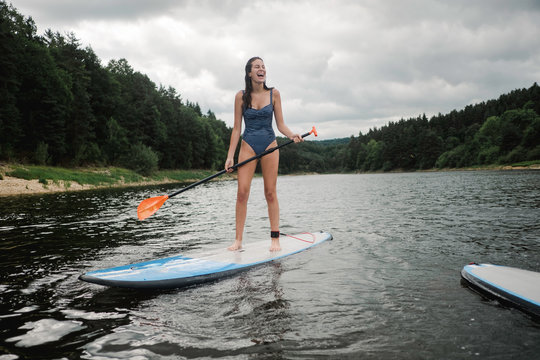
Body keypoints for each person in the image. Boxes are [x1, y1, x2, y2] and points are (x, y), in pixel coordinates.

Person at [225, 57, 303, 252]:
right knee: (242, 193)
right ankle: (238, 241)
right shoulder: (240, 96)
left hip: (269, 144)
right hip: (248, 144)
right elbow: (236, 129)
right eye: (257, 67)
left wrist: (292, 134)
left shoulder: (274, 94)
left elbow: (281, 124)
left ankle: (275, 239)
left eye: (263, 67)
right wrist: (230, 156)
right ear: (249, 73)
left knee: (270, 192)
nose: (262, 70)